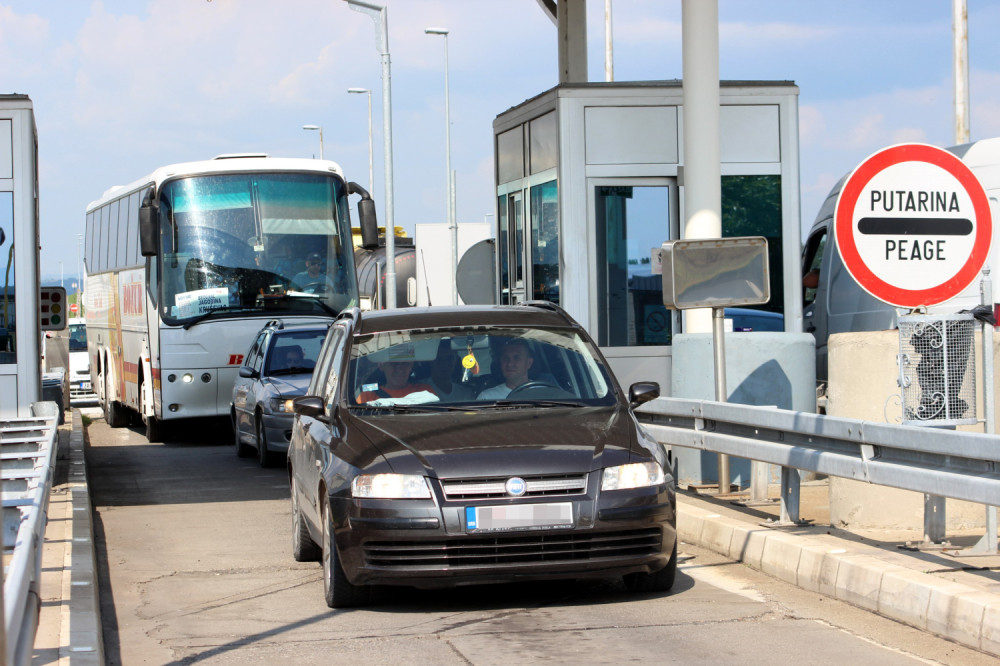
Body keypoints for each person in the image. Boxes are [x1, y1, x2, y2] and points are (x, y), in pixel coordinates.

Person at [357, 360, 437, 404]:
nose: (400, 369)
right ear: (382, 366)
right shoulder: (368, 394)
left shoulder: (424, 391)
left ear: (411, 366)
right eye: (393, 363)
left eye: (405, 363)